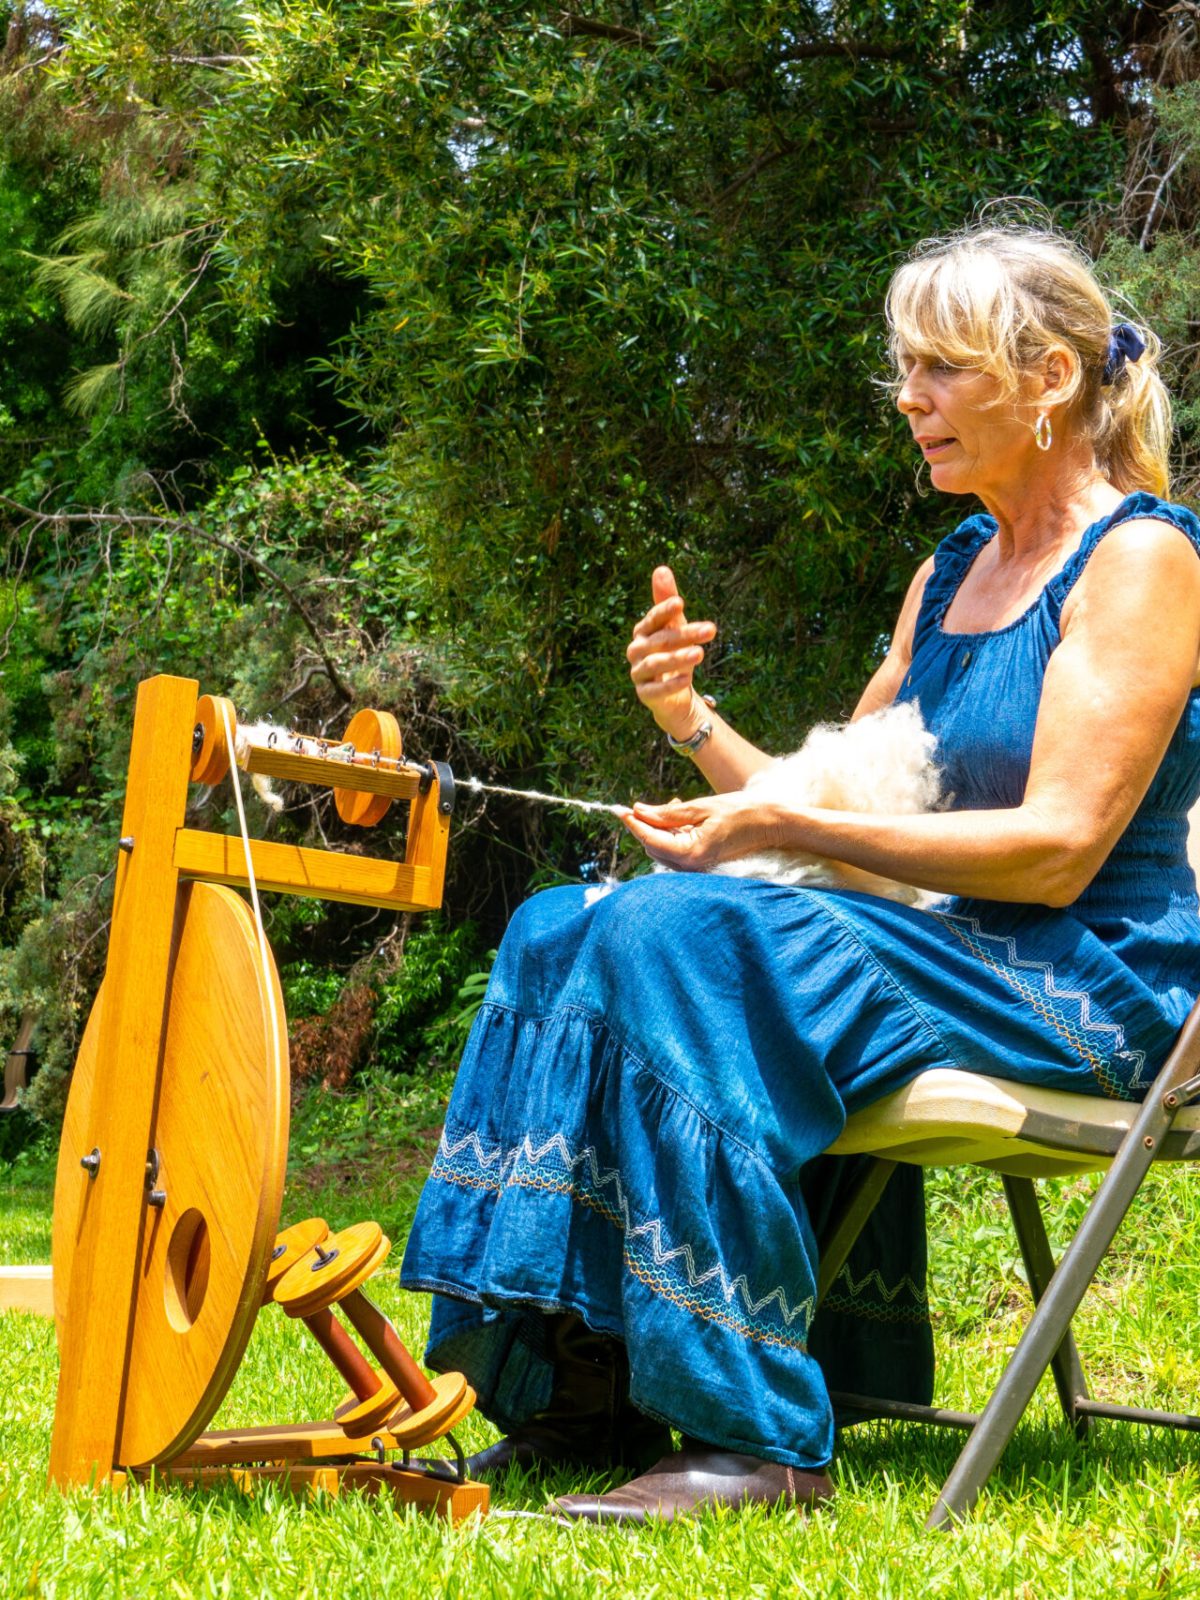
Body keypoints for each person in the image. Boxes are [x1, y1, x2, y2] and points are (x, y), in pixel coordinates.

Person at [400, 223, 1200, 1524]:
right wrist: (687, 722)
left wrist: (793, 848)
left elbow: (1057, 854)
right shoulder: (950, 575)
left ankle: (757, 1439)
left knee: (679, 938)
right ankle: (575, 1400)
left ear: (1050, 379)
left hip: (1085, 984)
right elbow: (831, 798)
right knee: (566, 926)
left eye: (940, 368)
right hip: (941, 953)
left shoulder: (1142, 562)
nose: (910, 399)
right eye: (907, 369)